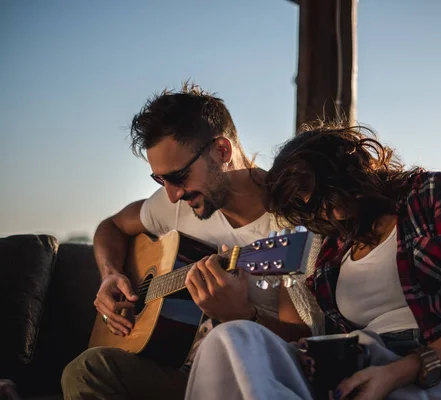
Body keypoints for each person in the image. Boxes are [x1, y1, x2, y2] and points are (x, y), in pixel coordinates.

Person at [185, 122, 441, 400]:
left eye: (316, 199)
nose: (317, 216)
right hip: (360, 372)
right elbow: (306, 340)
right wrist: (242, 315)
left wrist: (399, 372)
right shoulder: (331, 250)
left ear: (346, 168)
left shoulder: (434, 194)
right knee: (230, 339)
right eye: (304, 212)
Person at [61, 82, 323, 399]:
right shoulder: (176, 204)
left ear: (222, 151)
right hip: (177, 368)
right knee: (86, 370)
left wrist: (241, 316)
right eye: (160, 180)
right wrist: (110, 275)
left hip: (248, 378)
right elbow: (112, 226)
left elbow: (303, 342)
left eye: (177, 177)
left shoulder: (290, 225)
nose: (172, 196)